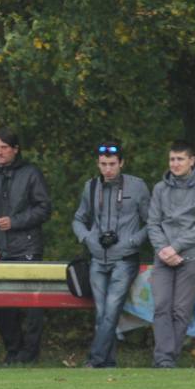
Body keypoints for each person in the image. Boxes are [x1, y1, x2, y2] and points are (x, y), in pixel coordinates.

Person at [72, 142, 151, 368]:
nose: (108, 169)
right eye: (104, 164)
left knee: (111, 309)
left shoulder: (137, 187)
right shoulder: (91, 187)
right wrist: (87, 238)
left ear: (121, 163)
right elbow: (78, 219)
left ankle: (94, 360)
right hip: (97, 258)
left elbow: (151, 221)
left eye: (112, 164)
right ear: (98, 164)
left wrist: (133, 241)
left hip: (125, 259)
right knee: (101, 313)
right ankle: (108, 362)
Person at [0, 128, 51, 364]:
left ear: (15, 150)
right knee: (1, 305)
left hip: (27, 247)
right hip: (0, 248)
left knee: (32, 306)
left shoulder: (31, 173)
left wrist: (15, 222)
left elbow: (44, 208)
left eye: (4, 148)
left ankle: (29, 355)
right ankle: (13, 351)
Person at [147, 140, 195, 368]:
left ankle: (166, 360)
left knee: (181, 310)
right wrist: (164, 249)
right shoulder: (160, 188)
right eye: (172, 159)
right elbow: (152, 223)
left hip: (194, 256)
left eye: (179, 159)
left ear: (191, 161)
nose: (175, 164)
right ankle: (164, 359)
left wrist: (175, 247)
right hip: (163, 256)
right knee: (161, 306)